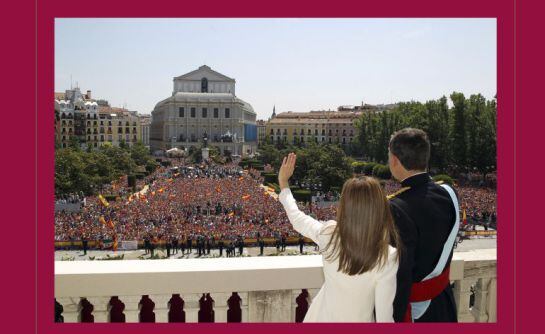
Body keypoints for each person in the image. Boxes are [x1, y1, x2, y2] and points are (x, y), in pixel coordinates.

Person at [278, 153, 400, 322]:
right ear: (379, 207)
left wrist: (284, 184)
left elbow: (298, 218)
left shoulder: (329, 234)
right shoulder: (388, 256)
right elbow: (384, 320)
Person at [387, 128, 459, 322]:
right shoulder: (449, 193)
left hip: (415, 313)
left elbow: (399, 275)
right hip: (444, 304)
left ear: (394, 160)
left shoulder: (395, 207)